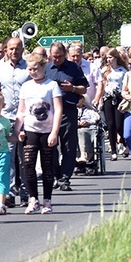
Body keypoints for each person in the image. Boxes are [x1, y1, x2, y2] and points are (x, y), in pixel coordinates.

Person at [16, 52, 63, 215]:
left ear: (43, 67)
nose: (32, 72)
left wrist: (54, 132)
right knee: (28, 164)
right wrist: (19, 129)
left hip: (47, 130)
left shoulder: (52, 85)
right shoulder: (26, 86)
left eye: (35, 68)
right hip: (30, 129)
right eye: (29, 69)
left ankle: (47, 201)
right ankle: (33, 199)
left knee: (47, 166)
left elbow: (57, 109)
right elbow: (21, 111)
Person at [0, 37, 30, 208]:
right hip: (5, 118)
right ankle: (10, 192)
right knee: (8, 158)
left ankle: (27, 193)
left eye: (17, 48)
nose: (14, 51)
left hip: (26, 118)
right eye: (11, 48)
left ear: (22, 49)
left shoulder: (29, 67)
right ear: (6, 50)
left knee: (25, 158)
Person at [45, 42, 88, 192]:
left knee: (68, 146)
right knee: (50, 145)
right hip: (49, 112)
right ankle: (56, 175)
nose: (56, 59)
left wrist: (73, 88)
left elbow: (84, 87)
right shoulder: (46, 68)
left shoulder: (73, 67)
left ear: (65, 54)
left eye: (59, 57)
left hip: (68, 110)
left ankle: (65, 177)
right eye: (54, 56)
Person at [93, 48, 128, 160]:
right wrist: (99, 99)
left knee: (119, 124)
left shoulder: (123, 70)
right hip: (108, 98)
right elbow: (102, 85)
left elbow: (126, 85)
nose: (108, 60)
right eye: (107, 58)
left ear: (116, 58)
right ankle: (113, 151)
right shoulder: (105, 70)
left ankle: (124, 143)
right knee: (110, 124)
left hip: (119, 98)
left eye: (110, 57)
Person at [75, 96, 101, 175]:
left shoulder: (89, 110)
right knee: (77, 131)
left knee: (82, 131)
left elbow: (96, 118)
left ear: (83, 99)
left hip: (88, 127)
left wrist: (88, 122)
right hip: (75, 127)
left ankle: (84, 155)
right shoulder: (71, 110)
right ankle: (78, 156)